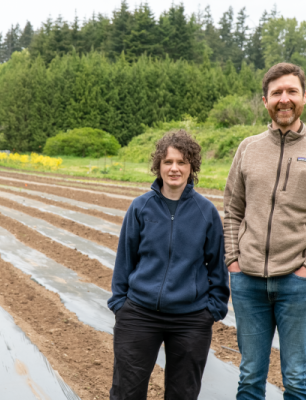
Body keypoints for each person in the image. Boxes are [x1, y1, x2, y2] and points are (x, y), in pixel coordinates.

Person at [108, 130, 230, 399]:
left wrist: (212, 310)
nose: (174, 168)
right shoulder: (141, 208)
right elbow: (124, 260)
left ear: (191, 167)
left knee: (182, 394)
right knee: (126, 392)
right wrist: (121, 305)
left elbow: (216, 267)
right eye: (168, 162)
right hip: (139, 314)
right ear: (159, 166)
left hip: (190, 319)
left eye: (182, 162)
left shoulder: (206, 211)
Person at [224, 62, 306, 399]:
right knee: (250, 377)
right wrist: (233, 260)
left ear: (303, 97)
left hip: (296, 281)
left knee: (298, 379)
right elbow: (231, 209)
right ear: (265, 100)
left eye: (291, 91)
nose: (284, 99)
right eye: (276, 93)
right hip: (248, 281)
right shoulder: (248, 148)